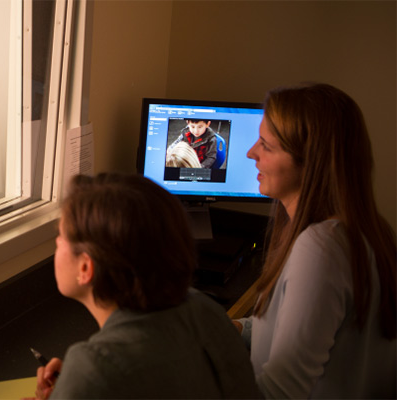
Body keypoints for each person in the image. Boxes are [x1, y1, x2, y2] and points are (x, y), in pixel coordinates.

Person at [32, 173, 260, 399]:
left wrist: (76, 385)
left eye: (61, 236)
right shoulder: (204, 308)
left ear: (85, 268)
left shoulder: (93, 367)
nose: (57, 242)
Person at [235, 83, 396, 398]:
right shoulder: (374, 230)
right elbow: (305, 327)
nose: (250, 152)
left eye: (266, 145)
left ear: (312, 161)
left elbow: (280, 392)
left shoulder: (322, 248)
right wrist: (239, 329)